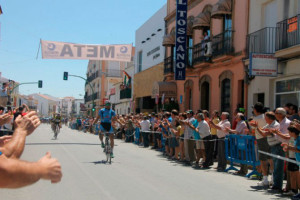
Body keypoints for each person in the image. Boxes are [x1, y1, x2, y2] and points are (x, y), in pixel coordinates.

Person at [0, 111, 62, 188]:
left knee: (59, 126)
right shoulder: (55, 117)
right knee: (53, 125)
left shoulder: (59, 117)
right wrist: (41, 168)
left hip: (57, 123)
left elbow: (6, 156)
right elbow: (4, 171)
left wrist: (21, 131)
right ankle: (53, 129)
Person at [249, 102, 273, 187]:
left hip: (261, 139)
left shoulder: (256, 118)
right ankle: (273, 178)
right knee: (270, 158)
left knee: (263, 160)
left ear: (255, 110)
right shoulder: (265, 116)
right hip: (269, 138)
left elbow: (252, 130)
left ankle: (265, 179)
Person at [281, 123, 300, 199]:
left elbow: (298, 150)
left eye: (289, 132)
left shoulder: (298, 139)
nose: (288, 133)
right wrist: (288, 146)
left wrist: (289, 148)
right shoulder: (296, 139)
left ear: (293, 132)